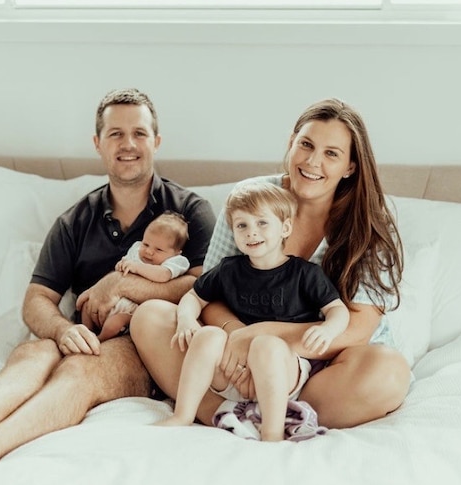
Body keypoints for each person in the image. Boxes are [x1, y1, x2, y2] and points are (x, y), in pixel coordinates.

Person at [0, 88, 216, 466]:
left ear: (157, 141)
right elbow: (37, 299)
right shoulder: (75, 220)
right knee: (35, 350)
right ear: (98, 143)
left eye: (140, 133)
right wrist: (62, 330)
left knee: (82, 369)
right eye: (116, 133)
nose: (128, 144)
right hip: (83, 332)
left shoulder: (190, 212)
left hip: (147, 347)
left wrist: (119, 283)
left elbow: (203, 285)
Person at [131, 98, 412, 431]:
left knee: (389, 373)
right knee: (150, 316)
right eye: (306, 144)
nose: (312, 161)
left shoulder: (367, 224)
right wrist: (236, 338)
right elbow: (212, 289)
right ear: (291, 143)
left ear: (350, 167)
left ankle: (282, 413)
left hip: (321, 364)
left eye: (331, 154)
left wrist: (261, 337)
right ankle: (219, 412)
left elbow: (356, 328)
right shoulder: (249, 199)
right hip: (235, 355)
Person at [155, 182, 350, 442]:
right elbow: (193, 296)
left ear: (286, 228)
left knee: (265, 345)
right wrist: (187, 319)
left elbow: (338, 310)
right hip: (232, 371)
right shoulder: (229, 270)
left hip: (282, 375)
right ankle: (183, 415)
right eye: (242, 225)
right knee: (208, 336)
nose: (251, 233)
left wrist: (329, 328)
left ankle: (272, 433)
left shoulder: (305, 274)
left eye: (262, 223)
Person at [97, 211, 190, 341]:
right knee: (86, 305)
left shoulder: (175, 262)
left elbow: (162, 275)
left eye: (159, 250)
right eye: (146, 244)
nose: (149, 251)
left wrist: (137, 267)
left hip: (136, 310)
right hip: (115, 300)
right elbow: (125, 264)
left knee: (115, 323)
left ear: (176, 253)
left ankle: (99, 339)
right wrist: (121, 265)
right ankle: (85, 330)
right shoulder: (137, 249)